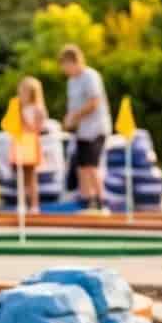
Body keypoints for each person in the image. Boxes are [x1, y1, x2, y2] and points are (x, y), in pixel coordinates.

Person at [58, 44, 111, 212]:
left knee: (91, 166)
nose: (64, 69)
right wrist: (68, 120)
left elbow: (94, 102)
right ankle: (87, 200)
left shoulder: (90, 76)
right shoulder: (71, 81)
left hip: (96, 129)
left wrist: (75, 116)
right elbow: (73, 106)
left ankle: (101, 201)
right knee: (81, 167)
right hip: (81, 131)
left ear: (74, 61)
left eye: (65, 64)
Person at [13, 75, 49, 209]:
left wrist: (24, 122)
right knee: (20, 176)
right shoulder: (18, 107)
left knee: (31, 176)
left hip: (31, 144)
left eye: (24, 91)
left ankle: (34, 205)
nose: (21, 94)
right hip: (20, 143)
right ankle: (22, 204)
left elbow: (38, 128)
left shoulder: (38, 109)